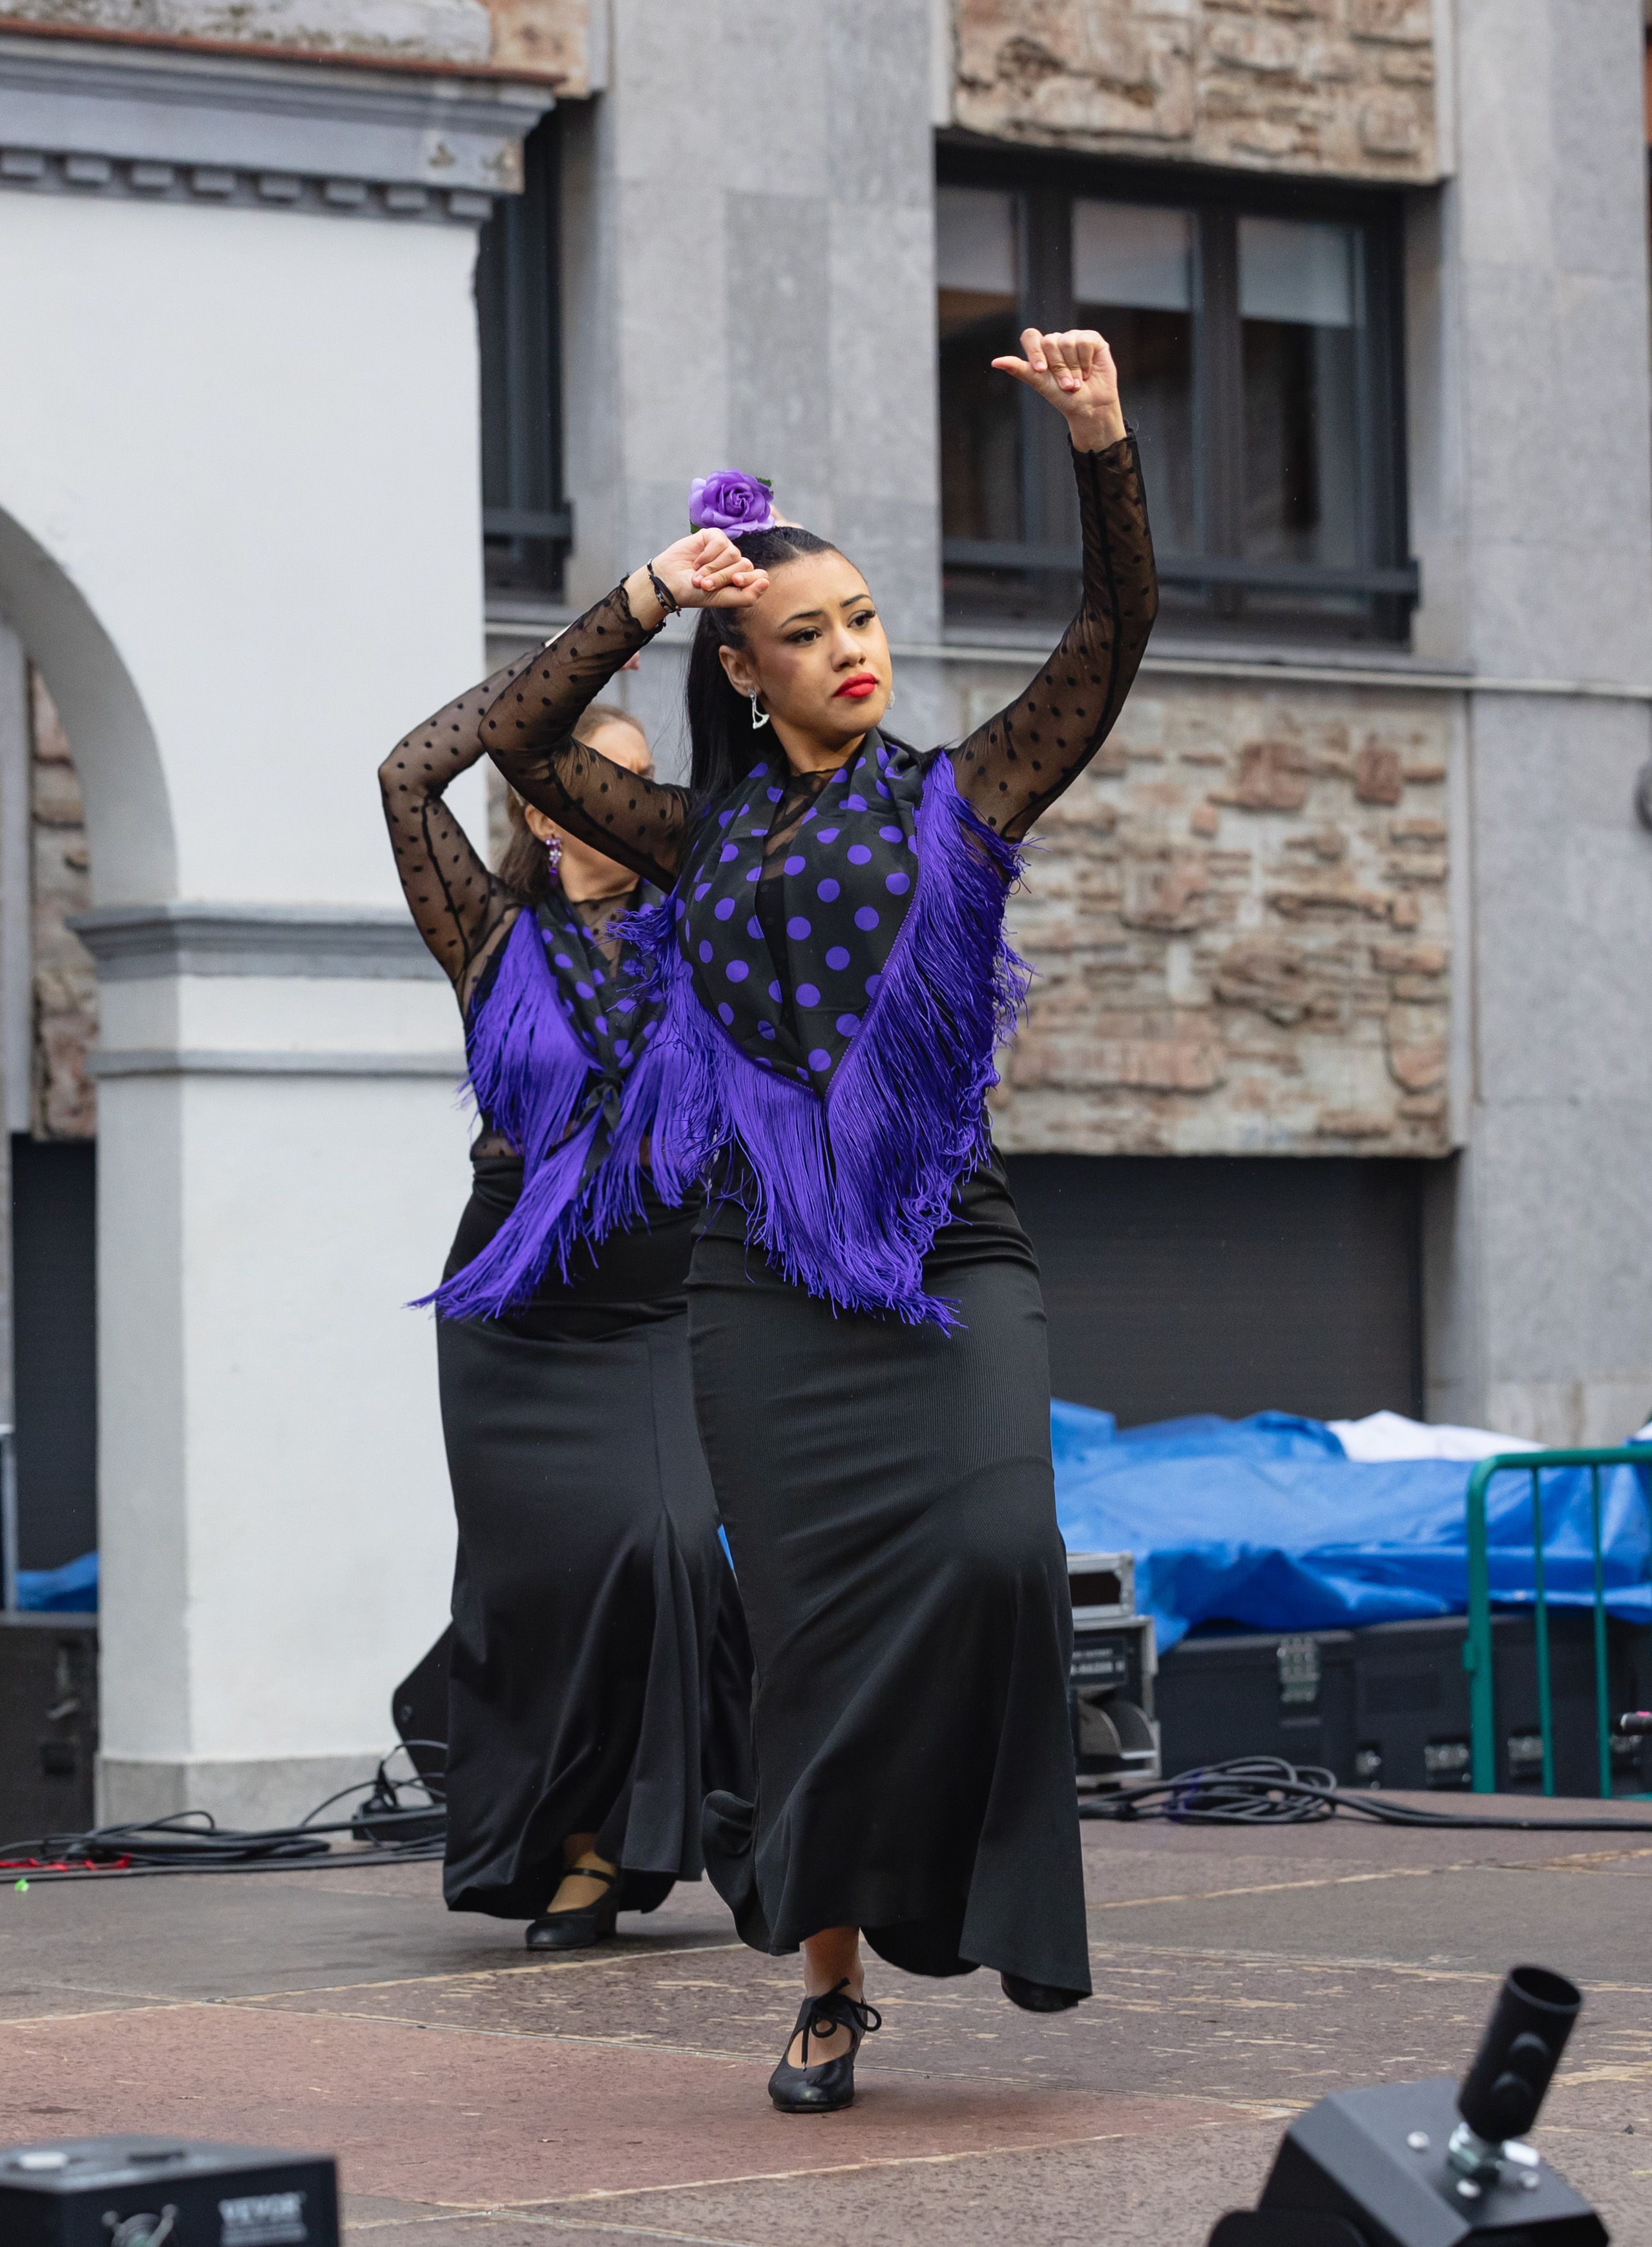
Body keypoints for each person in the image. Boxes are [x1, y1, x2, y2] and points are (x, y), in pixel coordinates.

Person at [482, 328, 1151, 2111]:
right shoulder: (690, 839)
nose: (851, 649)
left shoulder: (961, 792)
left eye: (861, 619)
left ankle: (993, 1885)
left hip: (945, 1243)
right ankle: (829, 1983)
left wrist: (1098, 446)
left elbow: (1104, 648)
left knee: (999, 1553)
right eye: (808, 629)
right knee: (807, 1636)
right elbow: (507, 734)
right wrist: (639, 588)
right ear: (743, 663)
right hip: (757, 1287)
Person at [376, 691, 749, 1952]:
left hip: (650, 1311)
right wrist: (629, 608)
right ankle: (571, 1844)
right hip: (510, 1325)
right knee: (537, 1592)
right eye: (600, 779)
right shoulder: (488, 933)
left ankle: (687, 1821)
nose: (632, 803)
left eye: (646, 780)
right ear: (543, 807)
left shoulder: (704, 934)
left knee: (672, 1547)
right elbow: (405, 776)